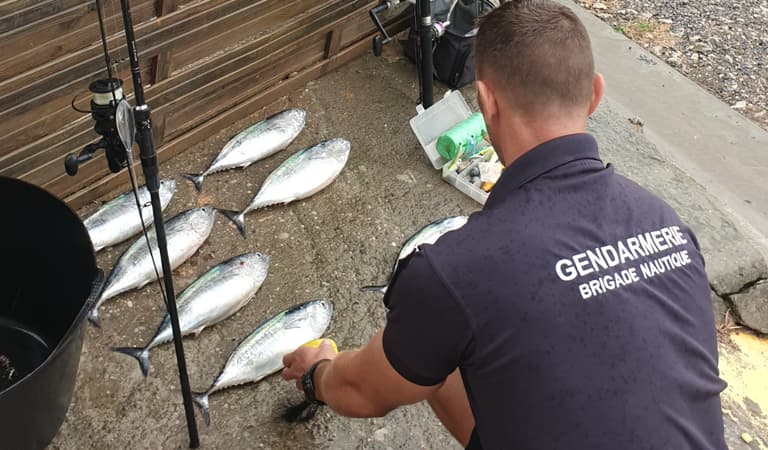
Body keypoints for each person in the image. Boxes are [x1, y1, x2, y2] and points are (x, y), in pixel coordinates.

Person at [281, 1, 727, 448]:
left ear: (486, 102)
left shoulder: (458, 270)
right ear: (595, 93)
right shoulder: (667, 221)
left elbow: (360, 391)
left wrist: (317, 372)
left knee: (443, 331)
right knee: (451, 336)